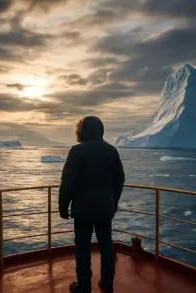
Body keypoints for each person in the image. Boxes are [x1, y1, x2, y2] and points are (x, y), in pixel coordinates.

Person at [58, 116, 125, 293]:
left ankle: (83, 285)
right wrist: (113, 202)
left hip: (82, 210)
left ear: (81, 131)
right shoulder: (111, 150)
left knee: (82, 246)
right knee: (106, 245)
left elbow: (68, 182)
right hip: (105, 208)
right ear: (100, 131)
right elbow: (120, 180)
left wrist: (63, 206)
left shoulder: (77, 151)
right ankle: (107, 283)